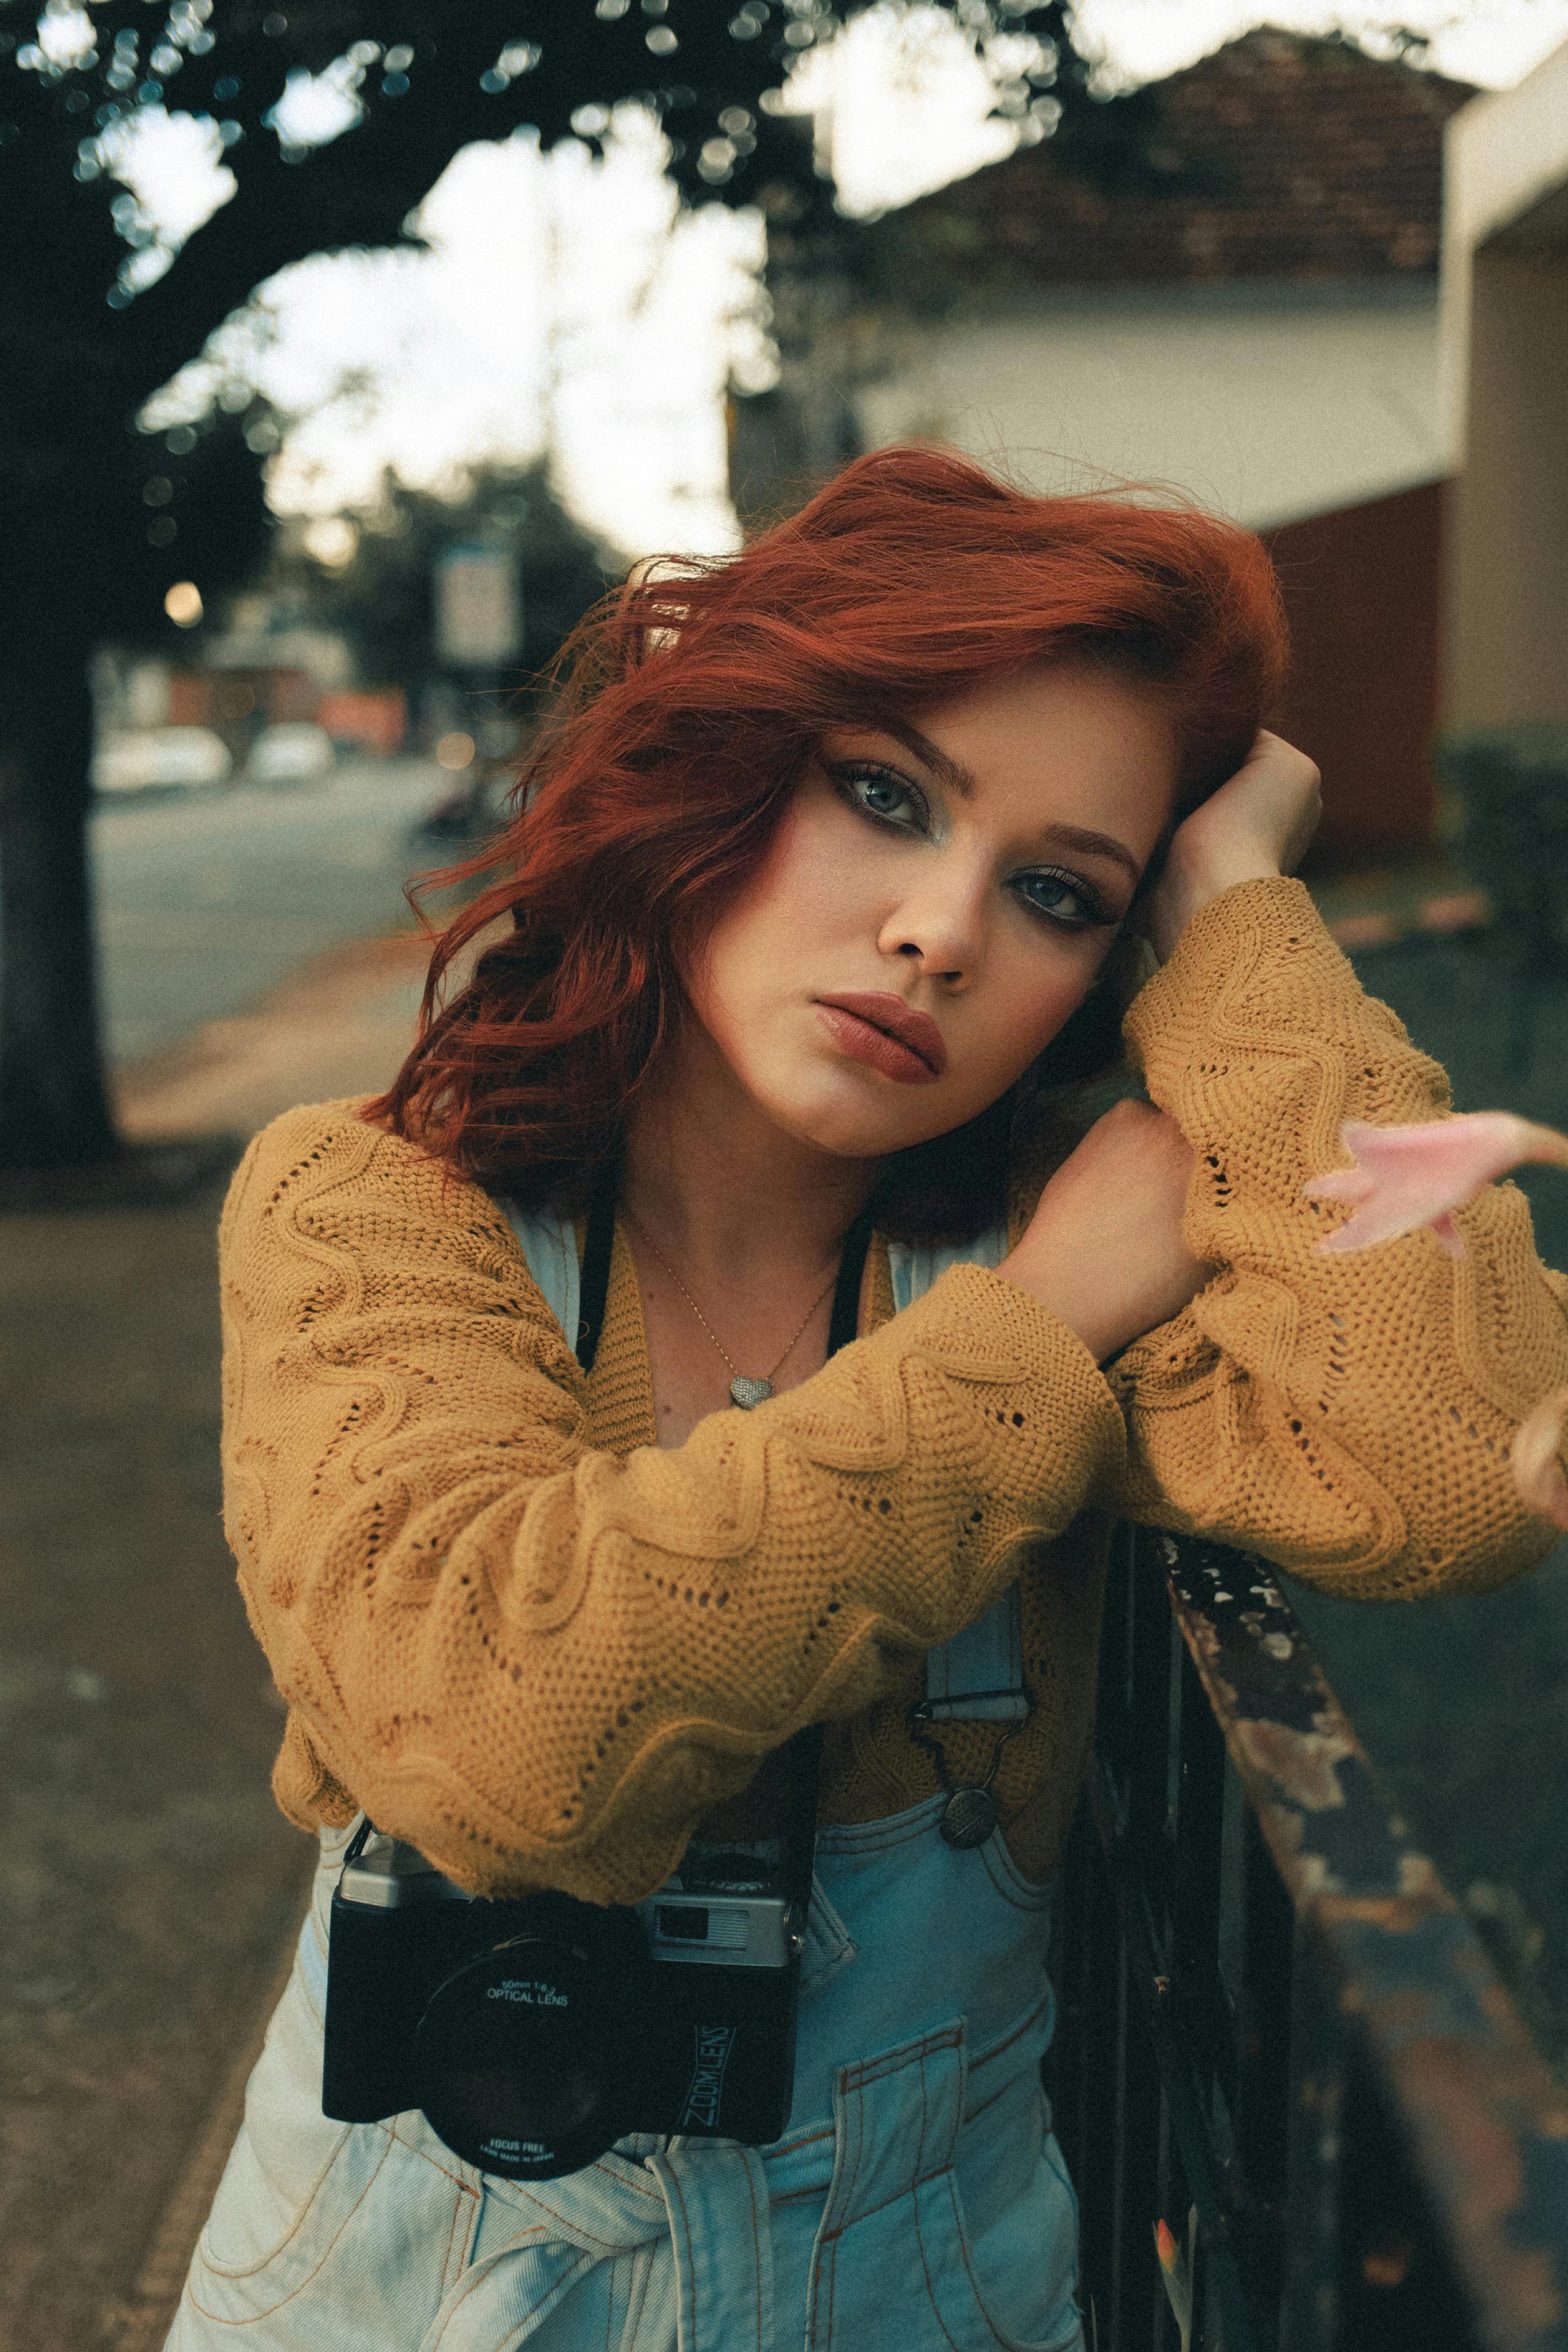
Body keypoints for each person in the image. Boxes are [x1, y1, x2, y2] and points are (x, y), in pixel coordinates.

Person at [167, 448, 1568, 2352]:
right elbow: (507, 1735)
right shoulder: (378, 1206)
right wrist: (1048, 1322)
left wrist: (1242, 923)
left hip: (925, 2294)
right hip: (408, 2290)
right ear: (729, 771)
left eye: (1062, 892)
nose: (942, 930)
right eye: (887, 796)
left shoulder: (1044, 1236)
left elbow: (1464, 1455)